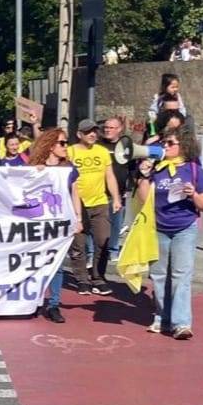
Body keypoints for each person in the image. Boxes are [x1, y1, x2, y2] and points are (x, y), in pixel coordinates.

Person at [136, 126, 203, 339]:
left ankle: (181, 323)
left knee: (181, 276)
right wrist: (143, 175)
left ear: (184, 146)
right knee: (159, 276)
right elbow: (144, 200)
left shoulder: (194, 170)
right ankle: (162, 318)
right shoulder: (158, 169)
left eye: (171, 143)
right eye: (164, 143)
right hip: (158, 227)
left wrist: (193, 195)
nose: (165, 147)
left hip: (185, 228)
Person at [28, 129, 82, 323]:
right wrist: (36, 173)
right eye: (62, 143)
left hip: (60, 223)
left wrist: (78, 218)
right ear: (51, 146)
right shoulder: (35, 167)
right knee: (36, 263)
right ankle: (33, 300)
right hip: (39, 223)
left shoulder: (68, 169)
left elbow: (75, 193)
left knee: (57, 264)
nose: (66, 147)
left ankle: (54, 304)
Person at [67, 119, 122, 295]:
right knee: (79, 245)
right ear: (79, 134)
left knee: (103, 241)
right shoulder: (70, 152)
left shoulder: (102, 151)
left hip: (100, 202)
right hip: (77, 204)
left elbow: (110, 176)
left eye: (94, 131)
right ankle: (82, 279)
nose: (92, 134)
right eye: (88, 131)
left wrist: (116, 198)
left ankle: (98, 277)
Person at [100, 117, 131, 259]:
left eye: (111, 128)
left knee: (115, 224)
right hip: (99, 192)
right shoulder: (98, 145)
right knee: (97, 226)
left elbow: (132, 168)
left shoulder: (126, 146)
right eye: (106, 127)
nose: (107, 130)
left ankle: (112, 251)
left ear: (119, 129)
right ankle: (94, 252)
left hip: (118, 193)